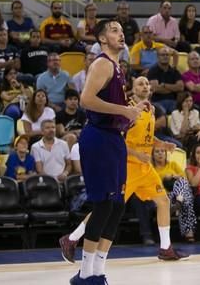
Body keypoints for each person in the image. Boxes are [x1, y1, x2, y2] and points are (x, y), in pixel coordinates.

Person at [60, 77, 187, 264]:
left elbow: (146, 139)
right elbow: (116, 140)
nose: (145, 86)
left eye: (146, 84)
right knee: (106, 208)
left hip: (145, 168)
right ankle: (71, 239)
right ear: (132, 89)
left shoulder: (151, 109)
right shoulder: (127, 110)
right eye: (140, 84)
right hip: (125, 167)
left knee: (163, 201)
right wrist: (137, 155)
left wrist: (162, 143)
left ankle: (165, 248)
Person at [67, 20, 149, 285]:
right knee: (103, 204)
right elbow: (87, 100)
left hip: (113, 138)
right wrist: (124, 111)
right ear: (102, 39)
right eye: (113, 30)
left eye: (121, 30)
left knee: (115, 207)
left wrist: (131, 114)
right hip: (98, 138)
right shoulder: (102, 63)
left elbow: (113, 109)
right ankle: (85, 274)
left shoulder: (117, 68)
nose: (120, 33)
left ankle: (98, 271)